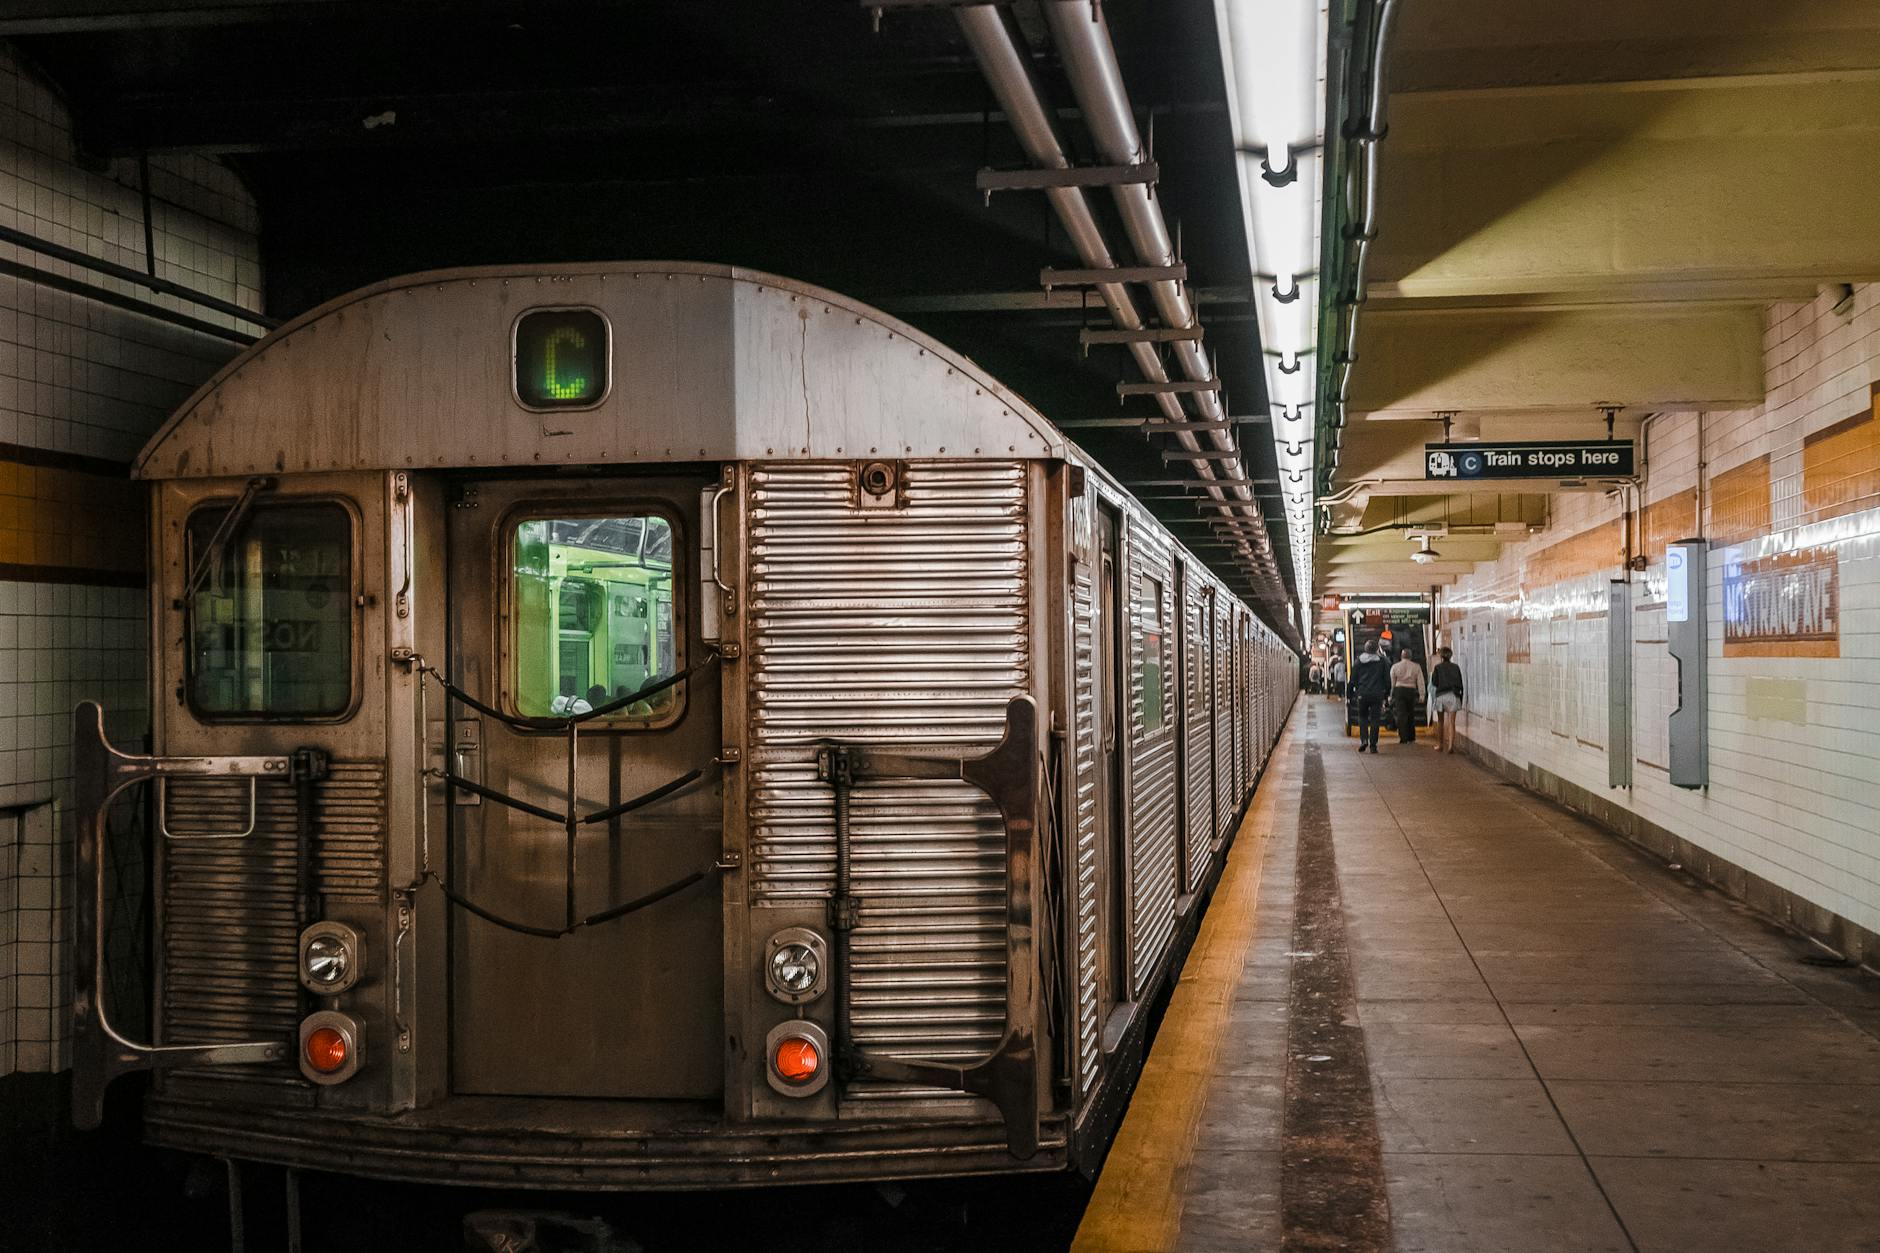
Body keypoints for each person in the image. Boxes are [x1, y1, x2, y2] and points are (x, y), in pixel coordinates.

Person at [1349, 638, 1390, 753]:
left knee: (1362, 718)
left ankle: (1364, 740)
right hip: (1377, 694)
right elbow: (1387, 680)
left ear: (1365, 649)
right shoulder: (1382, 662)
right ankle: (1373, 745)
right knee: (1375, 719)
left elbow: (1352, 680)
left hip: (1362, 694)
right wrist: (1386, 694)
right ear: (1377, 649)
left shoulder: (1358, 661)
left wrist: (1350, 694)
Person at [1430, 646, 1464, 753]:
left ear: (1441, 656)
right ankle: (1450, 746)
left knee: (1440, 721)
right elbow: (1460, 682)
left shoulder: (1438, 667)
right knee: (1452, 722)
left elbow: (1434, 682)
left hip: (1441, 695)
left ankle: (1440, 745)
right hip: (1453, 695)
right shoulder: (1456, 667)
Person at [1389, 647, 1426, 744]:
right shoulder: (1416, 666)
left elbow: (1392, 683)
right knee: (1411, 713)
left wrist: (1390, 695)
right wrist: (1422, 695)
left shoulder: (1395, 667)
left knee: (1401, 715)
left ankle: (1403, 737)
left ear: (1401, 656)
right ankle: (1411, 737)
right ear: (1411, 656)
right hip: (1411, 690)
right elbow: (1421, 682)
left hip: (1399, 690)